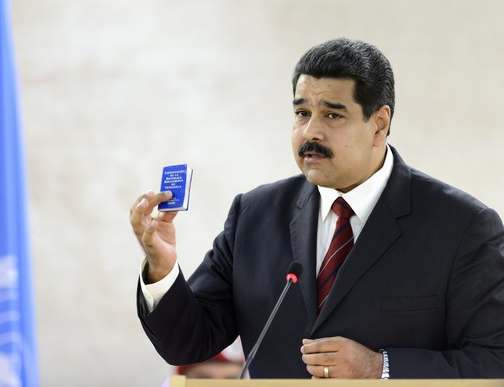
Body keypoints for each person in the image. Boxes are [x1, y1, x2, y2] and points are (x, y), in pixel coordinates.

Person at [130, 38, 504, 379]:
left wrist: (381, 367)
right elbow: (188, 344)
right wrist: (161, 268)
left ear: (379, 124)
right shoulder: (254, 214)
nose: (310, 132)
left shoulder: (463, 227)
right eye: (301, 112)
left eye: (332, 115)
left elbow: (494, 360)